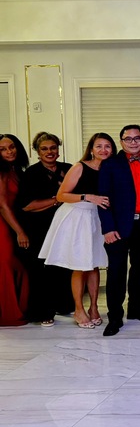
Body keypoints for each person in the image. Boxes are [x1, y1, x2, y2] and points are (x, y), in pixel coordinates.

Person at [40, 133, 115, 328]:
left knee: (94, 264)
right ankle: (79, 309)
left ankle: (94, 308)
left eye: (107, 146)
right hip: (77, 216)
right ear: (91, 149)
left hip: (97, 217)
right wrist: (87, 197)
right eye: (99, 146)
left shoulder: (112, 169)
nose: (103, 150)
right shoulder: (80, 166)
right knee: (80, 265)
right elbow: (61, 195)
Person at [98, 125, 140, 336]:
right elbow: (103, 199)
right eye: (128, 139)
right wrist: (108, 228)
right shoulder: (110, 164)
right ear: (121, 141)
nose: (133, 142)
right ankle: (115, 317)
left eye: (137, 138)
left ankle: (136, 308)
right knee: (117, 271)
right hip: (118, 225)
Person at [17, 131, 73, 324]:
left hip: (65, 226)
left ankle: (64, 305)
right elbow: (27, 206)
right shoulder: (31, 174)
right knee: (41, 271)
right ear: (37, 152)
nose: (49, 152)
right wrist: (57, 200)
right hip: (39, 228)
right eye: (44, 149)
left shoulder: (69, 169)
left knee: (63, 267)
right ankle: (42, 312)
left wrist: (53, 201)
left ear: (58, 149)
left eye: (53, 148)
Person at [0, 133, 30, 327]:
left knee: (17, 266)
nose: (9, 152)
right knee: (6, 265)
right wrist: (20, 232)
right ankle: (8, 314)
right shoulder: (1, 172)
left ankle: (18, 308)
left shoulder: (15, 170)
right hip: (3, 224)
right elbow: (2, 205)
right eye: (2, 149)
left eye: (11, 147)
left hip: (11, 221)